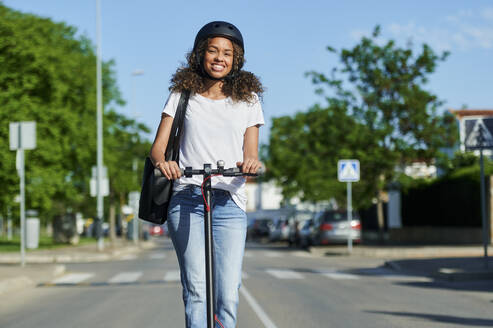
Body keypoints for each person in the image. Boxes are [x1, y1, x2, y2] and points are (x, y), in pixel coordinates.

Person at [150, 21, 265, 328]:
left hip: (228, 200)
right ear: (201, 54)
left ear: (236, 58)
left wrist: (251, 164)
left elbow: (251, 152)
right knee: (197, 290)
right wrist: (165, 164)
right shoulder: (181, 94)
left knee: (228, 292)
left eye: (227, 53)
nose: (219, 58)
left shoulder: (249, 98)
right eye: (213, 50)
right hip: (187, 197)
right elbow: (158, 149)